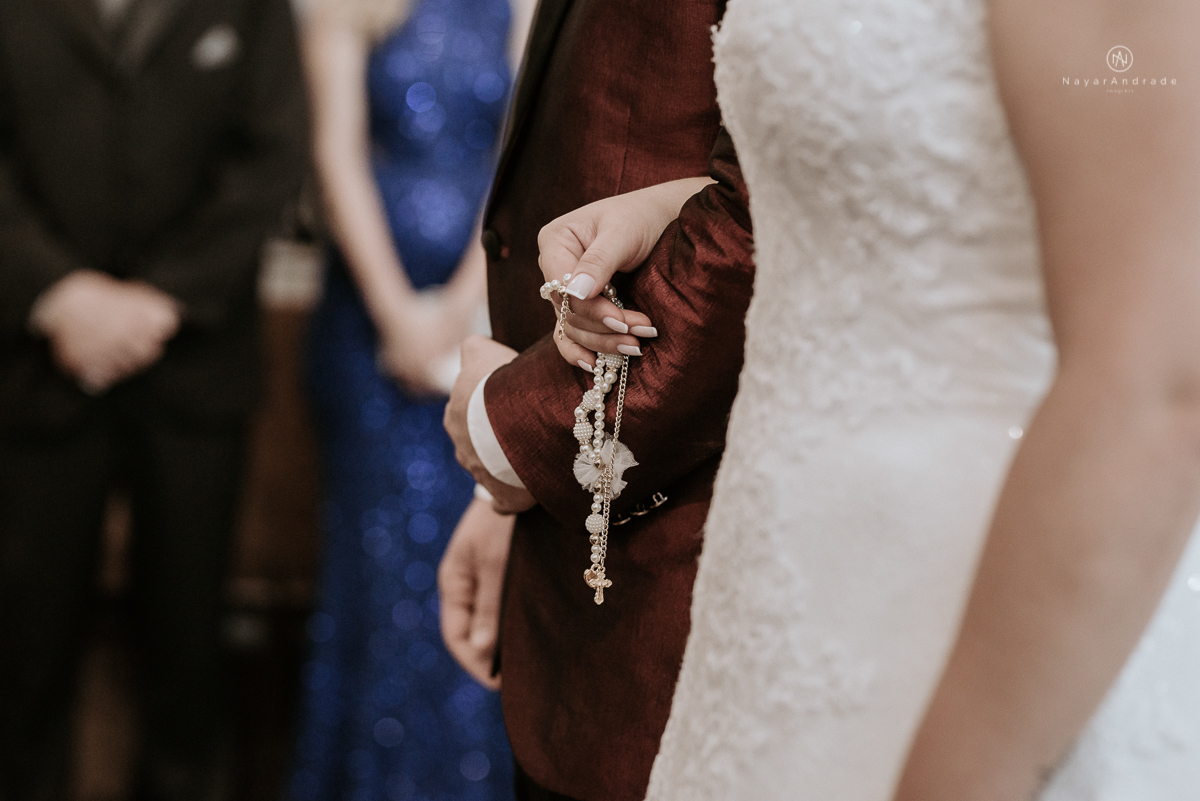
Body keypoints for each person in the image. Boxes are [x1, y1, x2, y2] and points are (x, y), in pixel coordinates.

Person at [537, 0, 1200, 798]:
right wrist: (667, 209)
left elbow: (1159, 375)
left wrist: (971, 773)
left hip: (980, 619)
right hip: (775, 613)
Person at [437, 0, 757, 797]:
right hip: (583, 547)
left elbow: (765, 215)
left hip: (709, 578)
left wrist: (518, 433)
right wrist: (519, 492)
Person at [0, 0, 308, 798]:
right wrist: (59, 293)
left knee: (189, 655)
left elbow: (274, 153)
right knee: (21, 657)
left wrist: (161, 303)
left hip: (196, 370)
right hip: (33, 365)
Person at [286, 0, 532, 797]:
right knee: (374, 573)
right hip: (366, 327)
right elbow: (337, 151)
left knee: (478, 561)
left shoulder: (528, 7)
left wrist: (463, 304)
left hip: (486, 307)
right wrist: (395, 311)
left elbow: (521, 155)